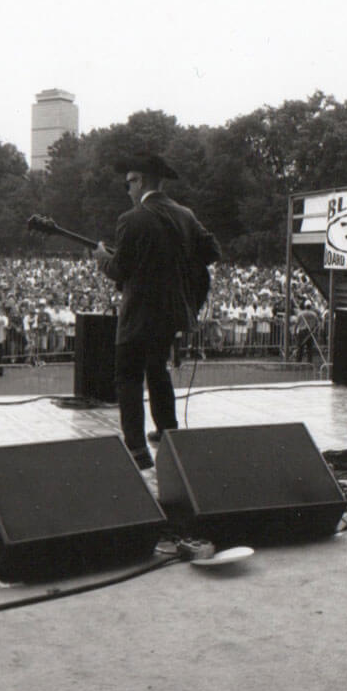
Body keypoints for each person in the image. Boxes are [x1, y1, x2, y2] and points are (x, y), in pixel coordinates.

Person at [93, 151, 221, 469]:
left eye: (128, 183)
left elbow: (120, 269)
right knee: (158, 371)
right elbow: (211, 251)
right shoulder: (185, 215)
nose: (128, 190)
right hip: (171, 313)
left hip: (138, 313)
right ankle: (168, 433)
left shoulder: (132, 218)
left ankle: (136, 450)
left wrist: (101, 258)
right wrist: (176, 265)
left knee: (129, 377)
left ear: (140, 181)